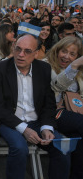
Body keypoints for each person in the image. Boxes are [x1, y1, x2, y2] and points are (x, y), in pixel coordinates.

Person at [0, 33, 70, 179]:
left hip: (37, 121)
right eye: (18, 49)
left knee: (62, 148)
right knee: (20, 148)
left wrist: (46, 127)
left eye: (27, 51)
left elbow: (48, 103)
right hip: (10, 122)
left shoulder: (44, 69)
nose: (21, 54)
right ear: (13, 47)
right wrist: (24, 129)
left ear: (36, 53)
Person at [46, 36, 83, 179]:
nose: (66, 56)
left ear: (78, 56)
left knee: (78, 139)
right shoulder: (46, 65)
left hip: (74, 113)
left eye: (72, 54)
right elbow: (55, 86)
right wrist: (73, 67)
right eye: (64, 51)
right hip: (54, 112)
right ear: (57, 50)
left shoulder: (80, 72)